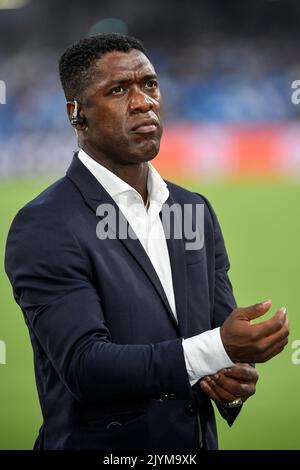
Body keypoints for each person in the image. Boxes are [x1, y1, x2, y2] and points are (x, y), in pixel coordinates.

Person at [5, 33, 289, 451]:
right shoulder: (45, 224)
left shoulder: (193, 210)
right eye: (118, 90)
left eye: (150, 85)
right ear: (76, 114)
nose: (143, 102)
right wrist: (214, 349)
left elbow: (217, 342)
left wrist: (234, 375)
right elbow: (85, 366)